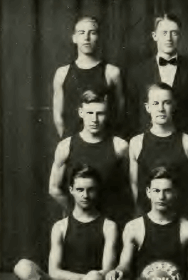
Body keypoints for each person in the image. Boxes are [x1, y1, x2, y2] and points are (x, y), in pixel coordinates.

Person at [2, 164, 119, 280]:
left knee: (94, 276)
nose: (85, 195)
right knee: (22, 267)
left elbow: (105, 273)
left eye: (91, 189)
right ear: (71, 190)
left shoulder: (109, 226)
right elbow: (54, 272)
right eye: (80, 190)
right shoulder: (60, 227)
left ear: (98, 190)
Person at [49, 89, 131, 224]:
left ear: (107, 114)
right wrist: (79, 212)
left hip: (111, 220)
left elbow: (129, 187)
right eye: (89, 113)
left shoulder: (120, 146)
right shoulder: (66, 146)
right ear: (81, 113)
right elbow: (54, 188)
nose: (94, 119)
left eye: (100, 114)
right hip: (77, 222)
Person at [127, 13, 188, 140]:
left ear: (179, 36)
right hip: (148, 141)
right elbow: (132, 114)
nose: (169, 38)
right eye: (164, 33)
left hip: (185, 142)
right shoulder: (137, 73)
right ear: (154, 36)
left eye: (174, 33)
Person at [129, 82, 188, 217]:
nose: (161, 108)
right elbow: (135, 187)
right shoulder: (136, 143)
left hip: (180, 219)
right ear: (147, 107)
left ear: (174, 105)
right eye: (155, 103)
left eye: (166, 102)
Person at [53, 15, 124, 138]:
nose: (86, 38)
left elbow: (121, 112)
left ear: (99, 37)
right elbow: (58, 116)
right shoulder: (62, 73)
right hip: (73, 143)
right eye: (81, 33)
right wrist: (68, 143)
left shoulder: (112, 72)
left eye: (92, 33)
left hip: (105, 143)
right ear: (74, 38)